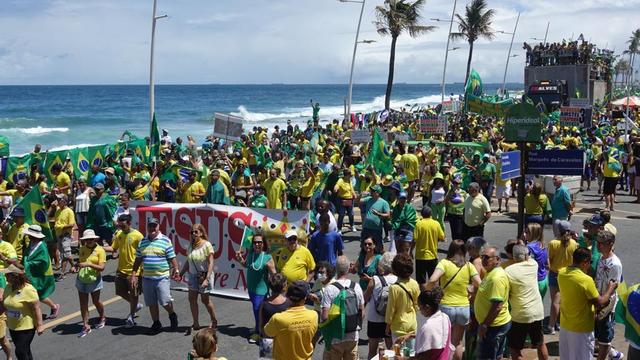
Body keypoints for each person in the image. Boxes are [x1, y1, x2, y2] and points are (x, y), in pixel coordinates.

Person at [558, 247, 618, 360]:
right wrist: (611, 288)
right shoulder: (585, 280)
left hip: (565, 325)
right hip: (581, 328)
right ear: (584, 262)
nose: (590, 265)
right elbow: (600, 302)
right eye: (590, 262)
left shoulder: (562, 273)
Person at [426, 239, 481, 360]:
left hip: (446, 307)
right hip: (463, 307)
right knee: (458, 342)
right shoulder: (468, 266)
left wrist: (427, 291)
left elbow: (432, 280)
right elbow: (479, 283)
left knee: (445, 341)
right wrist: (473, 292)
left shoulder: (444, 263)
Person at [130, 218, 180, 333]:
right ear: (147, 227)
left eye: (154, 226)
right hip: (147, 278)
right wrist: (133, 275)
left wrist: (176, 270)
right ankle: (156, 323)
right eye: (150, 226)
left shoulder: (165, 241)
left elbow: (172, 257)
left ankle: (172, 315)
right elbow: (138, 260)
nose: (152, 228)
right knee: (151, 303)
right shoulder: (142, 242)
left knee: (165, 302)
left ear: (158, 227)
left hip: (162, 277)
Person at [505, 245, 549, 360]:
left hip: (520, 315)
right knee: (540, 343)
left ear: (513, 257)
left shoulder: (508, 271)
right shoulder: (533, 264)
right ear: (526, 256)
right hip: (537, 312)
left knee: (514, 348)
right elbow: (528, 256)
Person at [320, 255, 365, 360]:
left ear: (335, 269)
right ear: (349, 268)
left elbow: (325, 316)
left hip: (335, 338)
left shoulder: (330, 289)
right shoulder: (356, 287)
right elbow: (362, 312)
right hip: (352, 336)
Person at [234, 232, 275, 343]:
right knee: (256, 311)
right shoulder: (251, 254)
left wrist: (275, 287)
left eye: (259, 242)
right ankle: (258, 327)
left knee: (258, 311)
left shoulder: (267, 257)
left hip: (261, 291)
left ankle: (259, 333)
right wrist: (240, 259)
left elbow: (275, 275)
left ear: (263, 243)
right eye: (255, 242)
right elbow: (246, 265)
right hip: (251, 289)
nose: (257, 244)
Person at [13, 225, 60, 320]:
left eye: (30, 235)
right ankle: (33, 312)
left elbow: (43, 261)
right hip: (30, 273)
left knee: (39, 295)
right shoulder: (31, 243)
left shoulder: (42, 246)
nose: (29, 237)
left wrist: (27, 264)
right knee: (31, 293)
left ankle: (54, 307)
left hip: (39, 274)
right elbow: (27, 255)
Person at [104, 213, 143, 328]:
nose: (121, 228)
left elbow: (143, 254)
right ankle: (135, 305)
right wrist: (100, 247)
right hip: (121, 269)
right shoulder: (119, 234)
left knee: (134, 294)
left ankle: (131, 316)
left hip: (133, 271)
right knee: (120, 292)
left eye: (123, 226)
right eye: (120, 226)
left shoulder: (138, 236)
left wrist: (140, 271)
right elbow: (113, 248)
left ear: (129, 223)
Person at [263, 280, 318, 360]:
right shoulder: (314, 315)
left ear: (287, 296)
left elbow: (267, 333)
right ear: (305, 297)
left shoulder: (278, 318)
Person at [395, 287, 454, 360]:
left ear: (427, 307)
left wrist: (403, 359)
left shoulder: (428, 326)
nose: (420, 310)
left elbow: (423, 357)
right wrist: (411, 335)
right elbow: (436, 336)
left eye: (420, 307)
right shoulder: (445, 317)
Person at [474, 245, 511, 360]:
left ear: (497, 260)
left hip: (493, 326)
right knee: (496, 355)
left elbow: (497, 305)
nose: (483, 260)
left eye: (487, 257)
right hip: (492, 325)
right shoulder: (490, 272)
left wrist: (485, 325)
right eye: (482, 257)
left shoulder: (496, 278)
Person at [179, 223, 217, 335]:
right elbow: (188, 261)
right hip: (192, 276)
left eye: (196, 231)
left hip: (204, 276)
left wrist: (207, 278)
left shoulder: (207, 245)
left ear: (201, 233)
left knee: (205, 300)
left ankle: (214, 320)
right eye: (192, 232)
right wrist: (181, 273)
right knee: (192, 299)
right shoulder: (191, 245)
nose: (194, 234)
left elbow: (211, 262)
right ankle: (195, 323)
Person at [2, 265, 44, 360]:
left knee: (20, 352)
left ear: (15, 276)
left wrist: (40, 325)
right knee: (26, 351)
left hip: (26, 328)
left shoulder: (28, 289)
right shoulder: (8, 288)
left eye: (7, 275)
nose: (5, 277)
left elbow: (36, 308)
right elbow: (5, 303)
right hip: (13, 327)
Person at [593, 230, 624, 360]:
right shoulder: (601, 258)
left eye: (602, 243)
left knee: (604, 337)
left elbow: (612, 288)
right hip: (598, 301)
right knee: (598, 335)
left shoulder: (615, 264)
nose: (599, 246)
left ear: (610, 244)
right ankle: (614, 354)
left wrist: (602, 307)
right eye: (598, 243)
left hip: (606, 305)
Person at [545, 220, 578, 335]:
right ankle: (560, 323)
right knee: (564, 301)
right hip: (569, 275)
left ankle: (551, 325)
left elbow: (548, 261)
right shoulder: (574, 243)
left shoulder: (553, 243)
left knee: (555, 301)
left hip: (555, 274)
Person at [72, 229, 107, 338]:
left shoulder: (100, 250)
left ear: (95, 239)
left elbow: (102, 268)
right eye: (87, 239)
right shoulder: (82, 249)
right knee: (83, 304)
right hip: (82, 279)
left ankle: (102, 317)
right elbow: (80, 263)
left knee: (96, 301)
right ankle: (85, 325)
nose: (89, 241)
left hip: (94, 280)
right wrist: (75, 267)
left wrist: (89, 264)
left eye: (91, 239)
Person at [363, 252, 396, 359]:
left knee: (372, 350)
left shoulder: (375, 279)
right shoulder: (397, 280)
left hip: (374, 318)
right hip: (390, 319)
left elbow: (365, 298)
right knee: (391, 349)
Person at [385, 253, 420, 350]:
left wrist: (388, 325)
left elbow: (390, 309)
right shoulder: (414, 284)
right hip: (412, 324)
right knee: (411, 353)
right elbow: (417, 305)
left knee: (398, 352)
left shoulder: (394, 288)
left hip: (398, 326)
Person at [259, 273, 290, 358]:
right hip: (284, 340)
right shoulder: (289, 303)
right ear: (284, 286)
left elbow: (261, 324)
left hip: (267, 339)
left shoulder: (264, 304)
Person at [413, 207, 445, 286]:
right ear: (430, 214)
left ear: (422, 214)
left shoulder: (418, 224)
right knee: (433, 280)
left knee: (421, 281)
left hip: (420, 256)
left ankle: (424, 296)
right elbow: (442, 237)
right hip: (433, 256)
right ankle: (432, 296)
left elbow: (414, 239)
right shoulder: (436, 223)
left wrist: (410, 251)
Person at [360, 185, 390, 253]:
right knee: (364, 246)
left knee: (378, 246)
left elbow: (388, 215)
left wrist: (379, 214)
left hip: (376, 229)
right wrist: (360, 195)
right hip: (366, 227)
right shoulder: (368, 199)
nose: (371, 192)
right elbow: (357, 201)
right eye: (371, 190)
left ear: (377, 193)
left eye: (373, 191)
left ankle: (380, 260)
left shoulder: (384, 203)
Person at [522, 223, 549, 298]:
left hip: (534, 281)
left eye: (527, 232)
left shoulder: (529, 247)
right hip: (543, 280)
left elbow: (525, 265)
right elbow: (548, 265)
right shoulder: (543, 245)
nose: (524, 234)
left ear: (533, 234)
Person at [53, 194, 75, 281]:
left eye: (59, 199)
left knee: (65, 254)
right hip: (59, 236)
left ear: (64, 201)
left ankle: (62, 273)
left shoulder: (69, 211)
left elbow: (71, 224)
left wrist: (61, 228)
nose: (57, 201)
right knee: (65, 254)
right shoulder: (58, 211)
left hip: (66, 235)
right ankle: (74, 265)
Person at [445, 175, 467, 241]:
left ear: (460, 184)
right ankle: (455, 247)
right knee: (454, 232)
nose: (456, 185)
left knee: (459, 232)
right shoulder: (450, 191)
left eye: (458, 183)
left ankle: (460, 247)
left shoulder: (463, 192)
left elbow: (466, 203)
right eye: (455, 183)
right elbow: (446, 201)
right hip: (451, 213)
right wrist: (452, 192)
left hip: (460, 214)